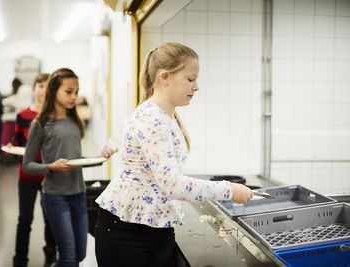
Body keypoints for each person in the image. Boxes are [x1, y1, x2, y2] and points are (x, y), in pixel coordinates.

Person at [94, 42, 254, 266]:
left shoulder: (166, 115)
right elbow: (171, 184)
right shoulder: (152, 117)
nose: (196, 86)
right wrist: (229, 190)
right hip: (127, 231)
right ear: (165, 77)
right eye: (190, 79)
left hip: (157, 226)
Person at [23, 68, 115, 267]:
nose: (74, 96)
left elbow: (76, 159)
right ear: (54, 90)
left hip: (79, 194)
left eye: (77, 91)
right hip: (56, 197)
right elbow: (27, 165)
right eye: (69, 91)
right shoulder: (40, 123)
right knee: (69, 258)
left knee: (80, 254)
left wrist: (100, 157)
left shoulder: (75, 120)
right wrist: (51, 167)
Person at [12, 73, 57, 267]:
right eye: (40, 86)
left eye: (48, 86)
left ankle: (51, 252)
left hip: (49, 175)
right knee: (25, 220)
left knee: (50, 219)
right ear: (33, 89)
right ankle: (20, 258)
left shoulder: (56, 115)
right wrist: (13, 148)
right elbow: (16, 144)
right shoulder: (22, 116)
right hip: (27, 175)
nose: (44, 90)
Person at [1, 78, 23, 162]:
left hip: (9, 121)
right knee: (12, 139)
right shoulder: (16, 96)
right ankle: (12, 158)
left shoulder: (13, 97)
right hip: (14, 120)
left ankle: (7, 158)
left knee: (7, 139)